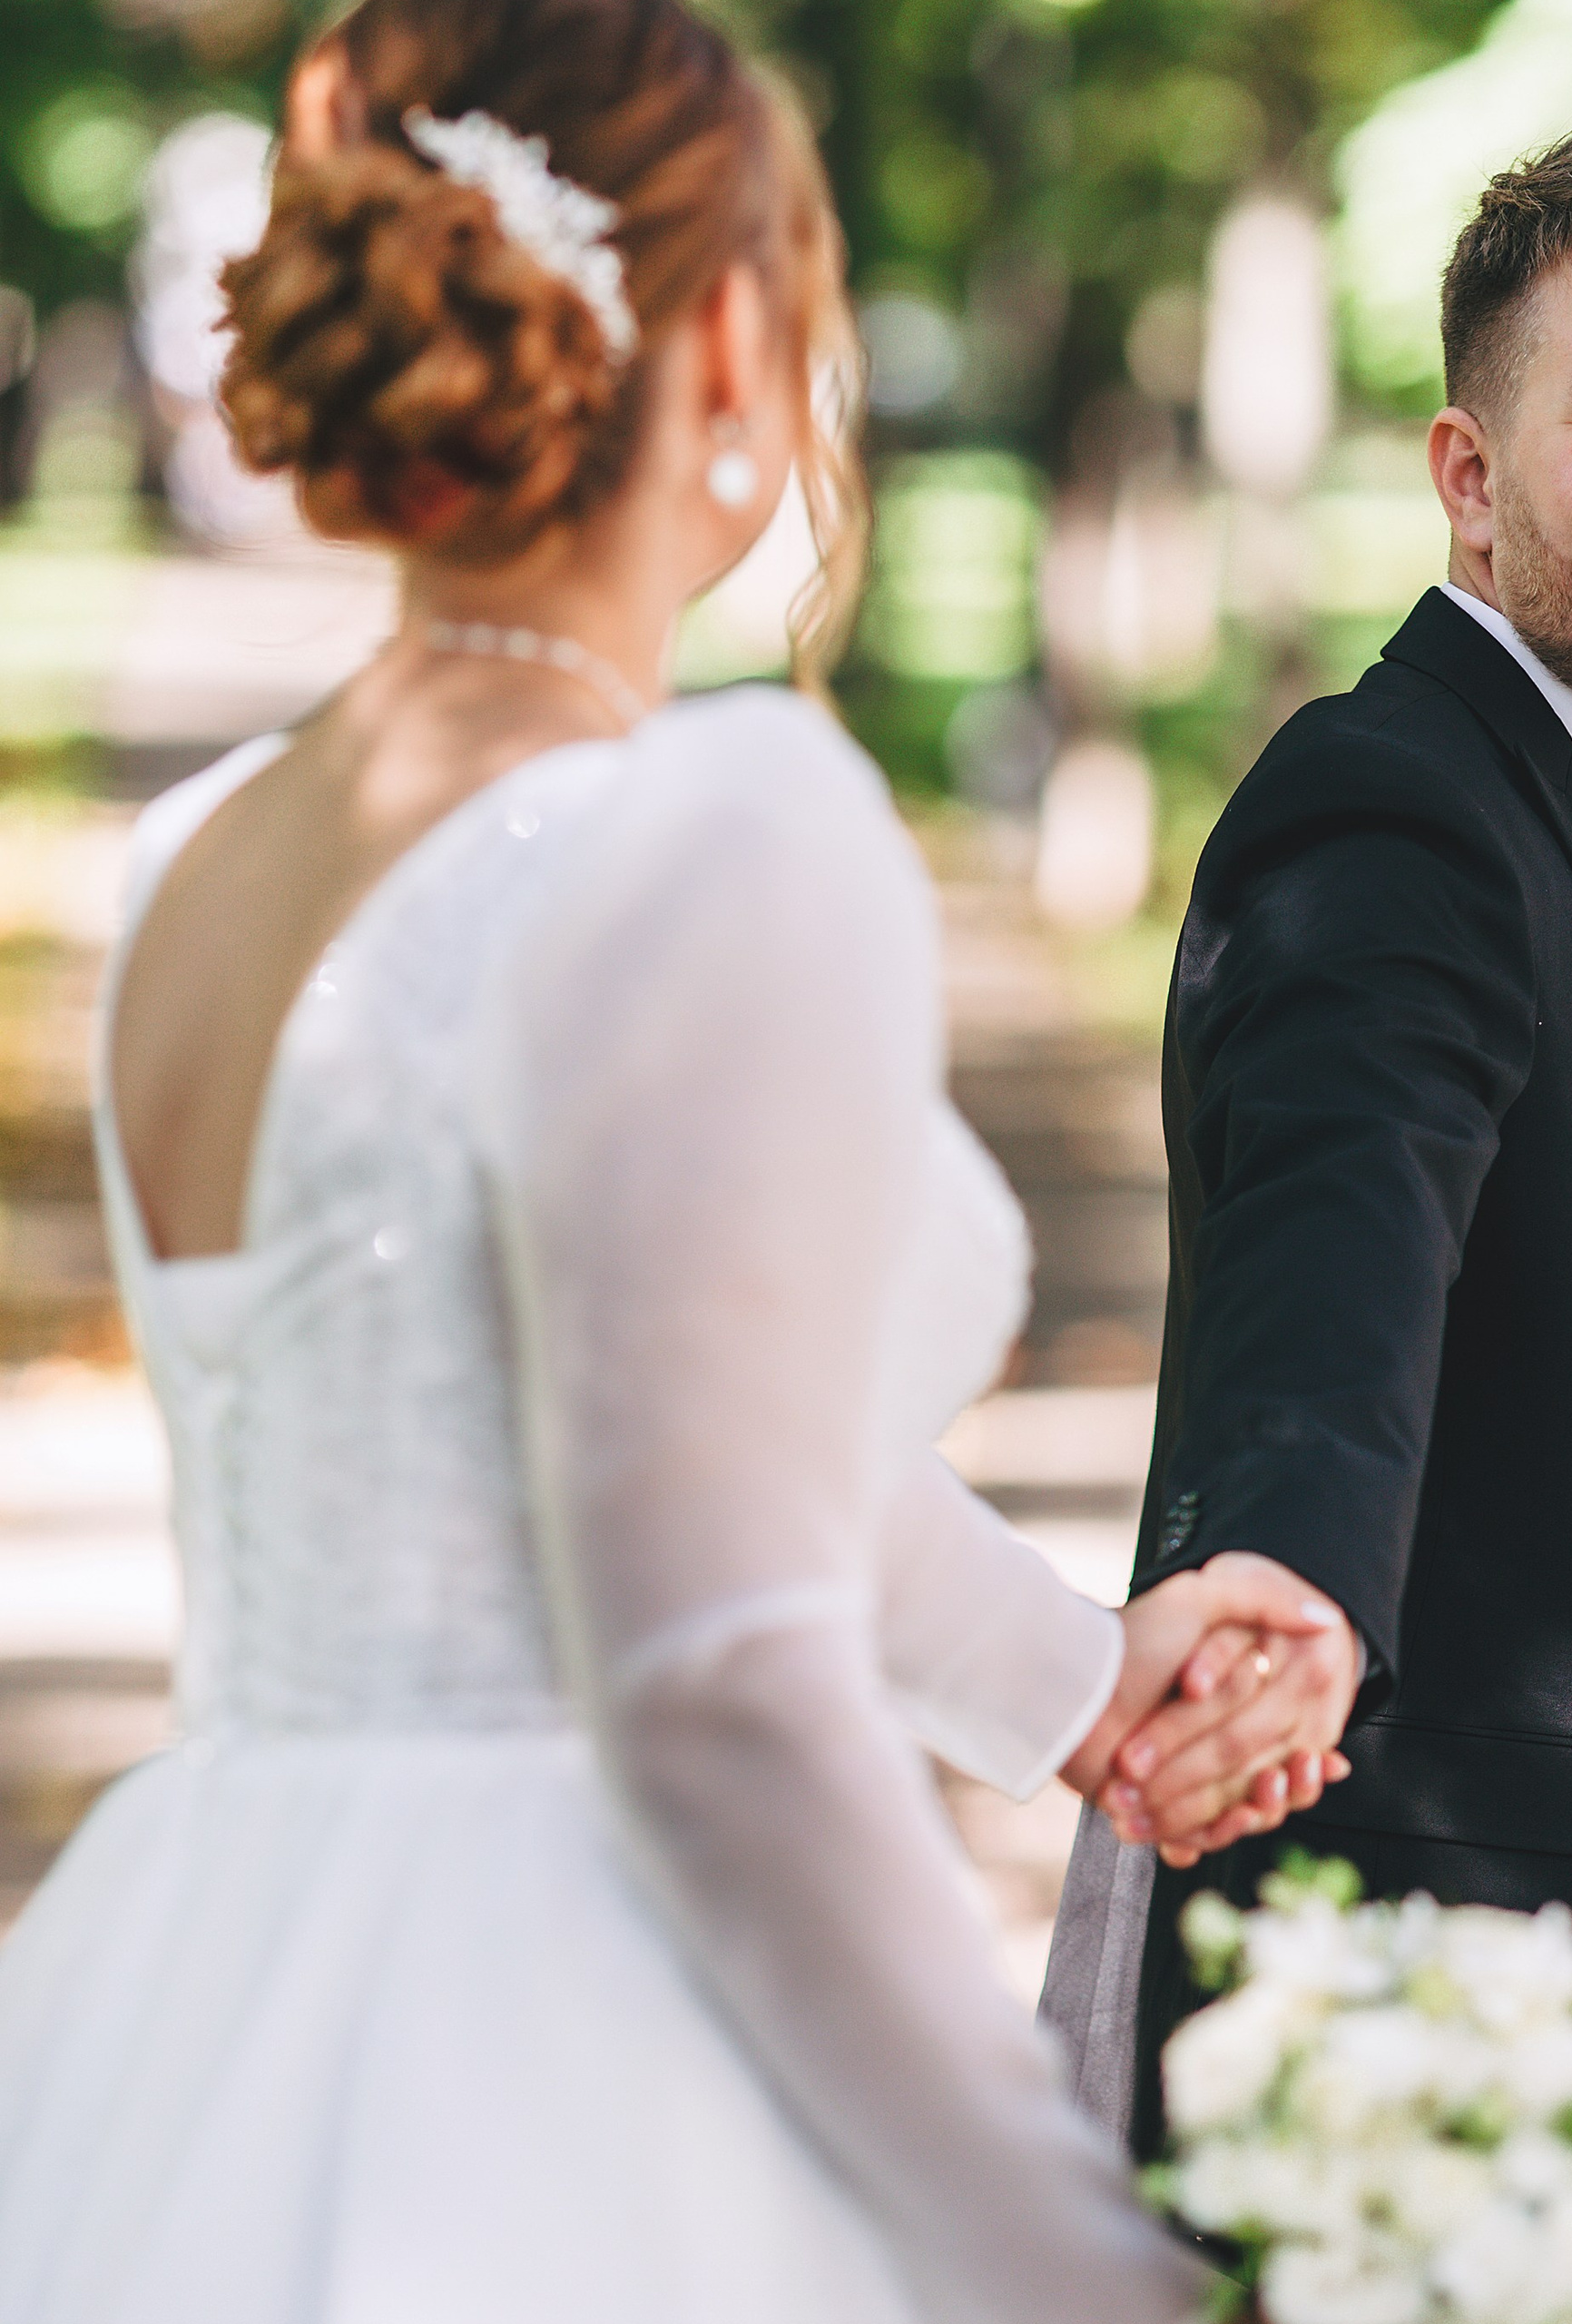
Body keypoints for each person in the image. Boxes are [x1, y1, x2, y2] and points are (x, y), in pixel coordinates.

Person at [0, 5, 1355, 2317]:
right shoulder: (711, 824)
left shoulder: (197, 862)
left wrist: (1072, 1683)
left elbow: (623, 1429)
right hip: (570, 2027)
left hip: (206, 1986)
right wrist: (1061, 2246)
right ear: (735, 328)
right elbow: (716, 1677)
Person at [1042, 103, 1572, 2153]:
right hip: (1428, 2028)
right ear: (1465, 476)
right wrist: (1279, 1567)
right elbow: (1345, 1238)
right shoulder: (1400, 815)